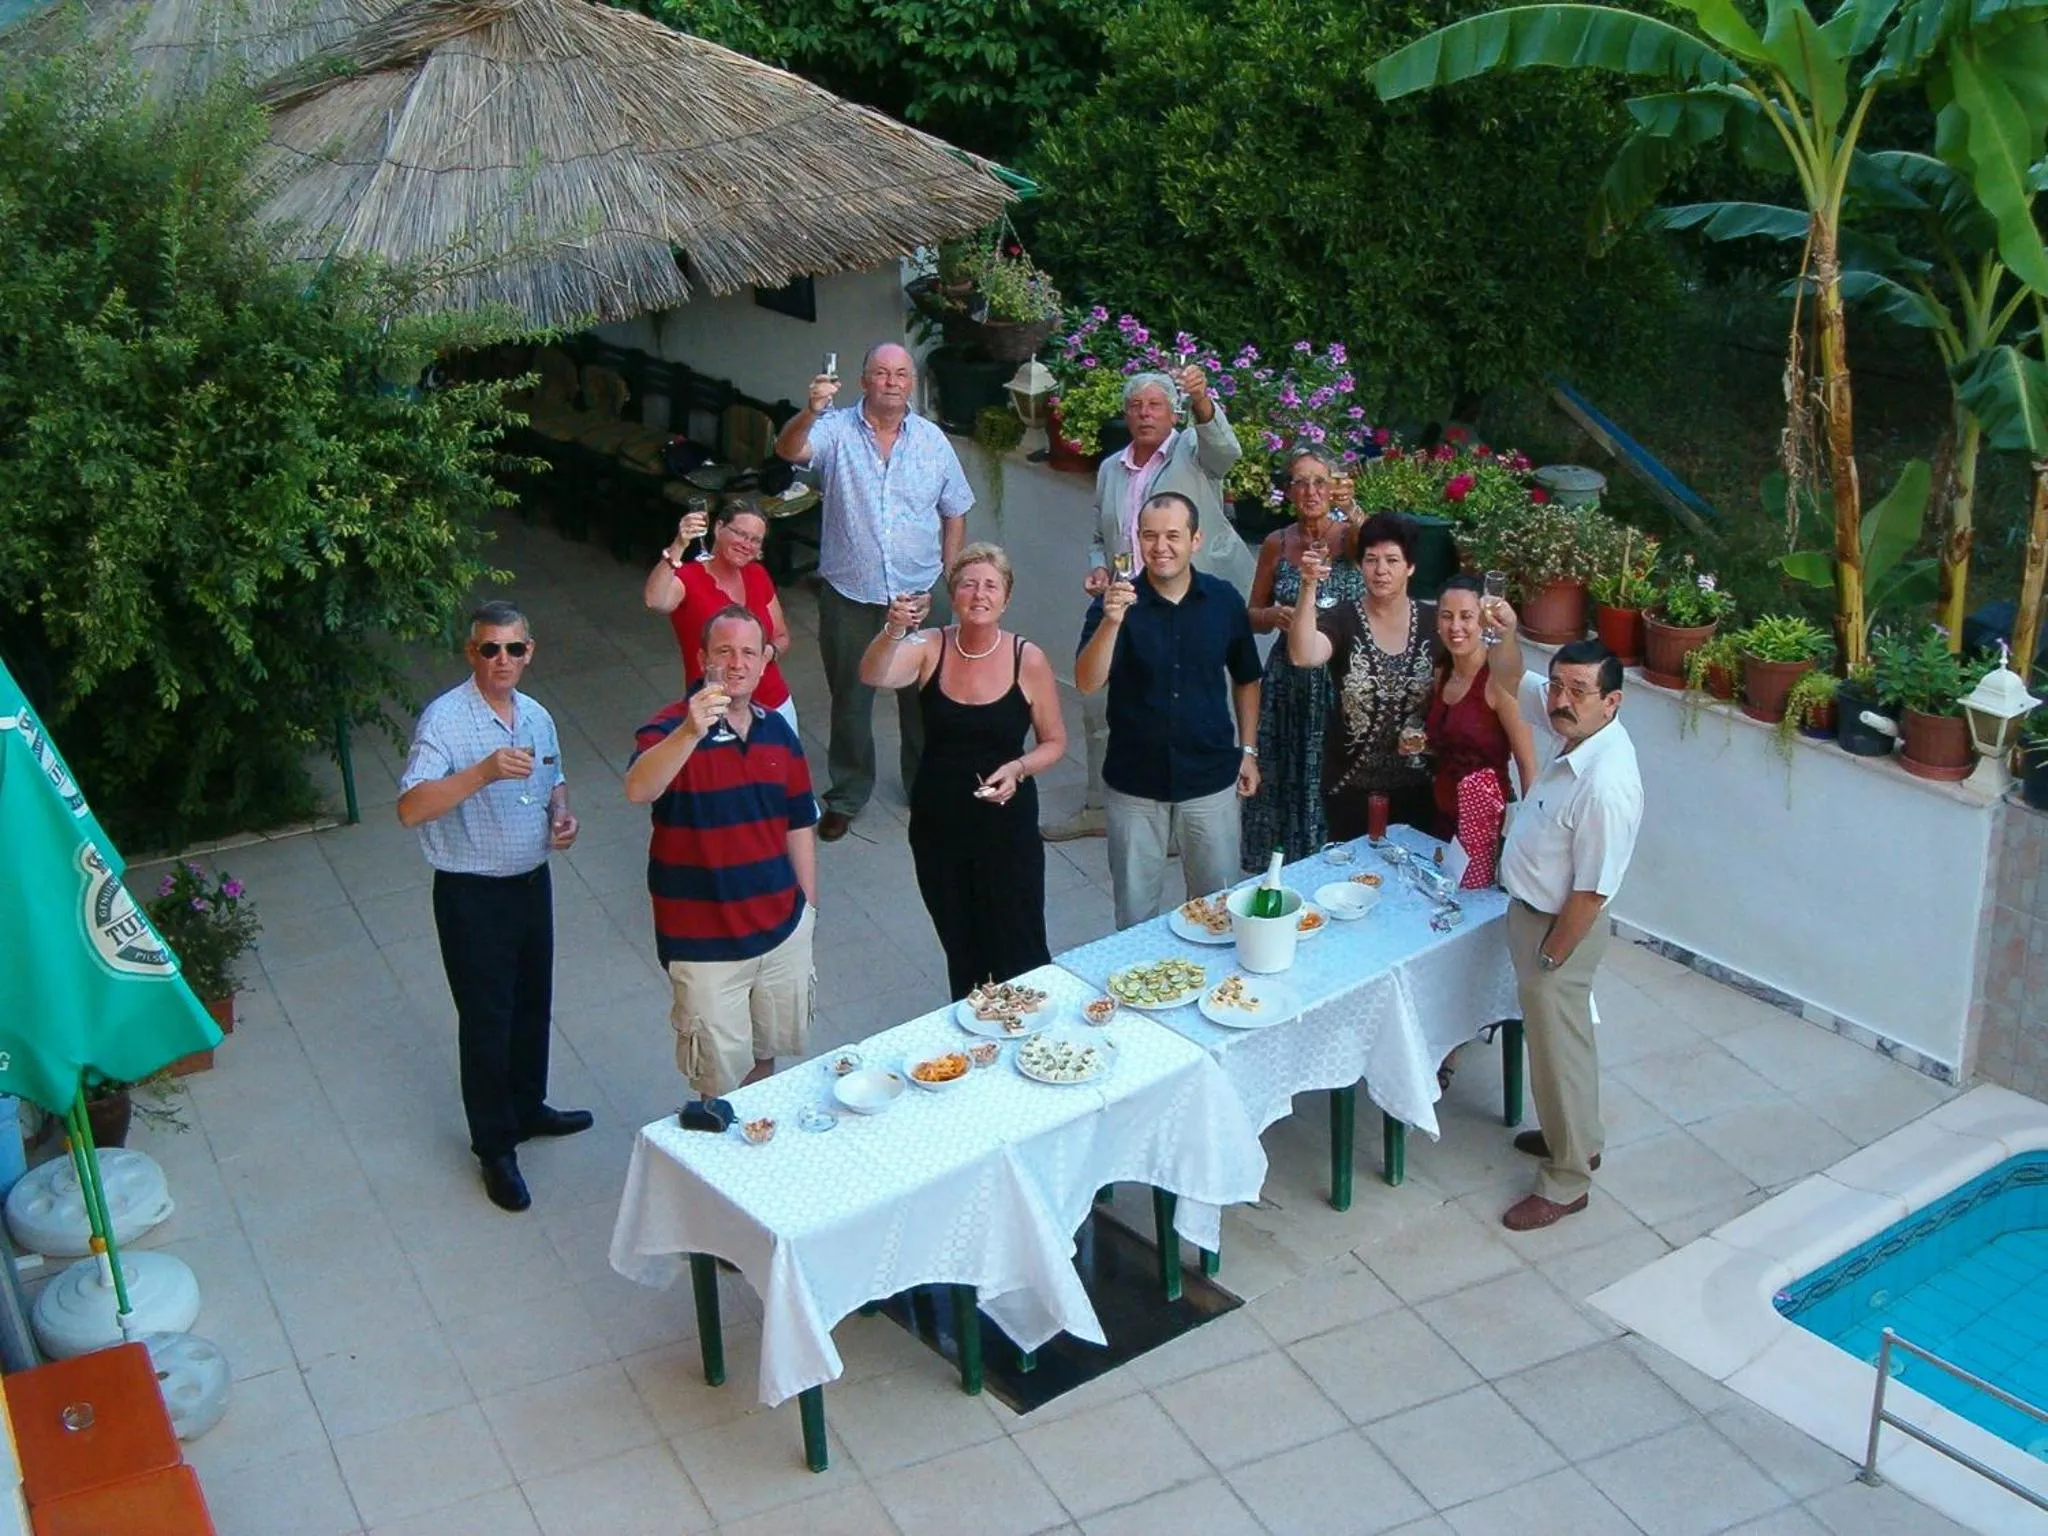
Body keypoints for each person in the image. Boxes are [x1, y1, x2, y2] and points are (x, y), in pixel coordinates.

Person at [397, 600, 591, 1214]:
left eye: (514, 648)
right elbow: (411, 808)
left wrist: (562, 817)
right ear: (471, 653)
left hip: (530, 883)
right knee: (487, 1022)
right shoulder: (446, 722)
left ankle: (528, 1107)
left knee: (534, 1003)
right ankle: (495, 1148)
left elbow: (554, 779)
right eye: (489, 649)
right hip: (472, 893)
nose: (502, 660)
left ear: (529, 651)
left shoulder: (536, 715)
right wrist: (481, 773)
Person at [1043, 367, 1256, 843]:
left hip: (1191, 597)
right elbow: (1102, 534)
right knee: (1099, 703)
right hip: (1127, 601)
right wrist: (1100, 567)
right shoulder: (1110, 468)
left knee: (1195, 700)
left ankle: (1187, 819)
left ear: (1173, 412)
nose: (1145, 413)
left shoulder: (1191, 450)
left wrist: (1202, 400)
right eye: (1136, 405)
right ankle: (1099, 804)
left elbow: (1227, 452)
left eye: (1155, 404)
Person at [1483, 603, 1644, 1232]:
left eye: (1579, 691)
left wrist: (1551, 956)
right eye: (1559, 687)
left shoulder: (1606, 783)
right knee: (1562, 1047)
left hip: (1559, 929)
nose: (1561, 700)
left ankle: (1568, 1179)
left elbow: (1593, 891)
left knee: (1558, 1053)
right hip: (1534, 918)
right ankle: (1574, 1137)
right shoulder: (1572, 732)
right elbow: (1508, 678)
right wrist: (1510, 631)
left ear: (1613, 702)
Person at [774, 343, 973, 843]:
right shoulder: (834, 429)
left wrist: (948, 576)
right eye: (880, 373)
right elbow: (789, 451)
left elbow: (956, 508)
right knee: (850, 698)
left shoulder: (932, 441)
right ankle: (846, 795)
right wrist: (811, 410)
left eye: (900, 374)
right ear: (863, 381)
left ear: (912, 384)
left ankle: (924, 786)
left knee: (926, 698)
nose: (891, 381)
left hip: (922, 593)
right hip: (852, 596)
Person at [624, 606, 819, 1101]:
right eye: (724, 651)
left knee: (767, 1054)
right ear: (701, 658)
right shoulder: (668, 729)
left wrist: (808, 910)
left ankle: (760, 1155)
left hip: (780, 929)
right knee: (716, 1079)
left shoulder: (778, 731)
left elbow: (799, 822)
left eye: (749, 652)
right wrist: (690, 732)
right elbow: (639, 788)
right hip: (704, 943)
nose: (737, 663)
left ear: (764, 662)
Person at [859, 544, 1068, 999]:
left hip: (1007, 826)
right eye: (968, 584)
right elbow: (874, 674)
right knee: (963, 948)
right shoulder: (930, 646)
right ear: (953, 594)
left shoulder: (1025, 658)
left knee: (1021, 948)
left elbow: (1054, 742)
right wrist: (894, 630)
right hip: (940, 822)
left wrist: (1018, 767)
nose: (979, 594)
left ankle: (1034, 1044)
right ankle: (976, 1048)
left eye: (990, 585)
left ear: (1006, 598)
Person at [1077, 491, 1263, 929]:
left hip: (1209, 779)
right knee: (1136, 914)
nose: (1161, 547)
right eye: (1150, 536)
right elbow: (1087, 680)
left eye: (1173, 536)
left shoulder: (1223, 601)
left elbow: (1247, 677)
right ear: (1138, 541)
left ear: (1195, 540)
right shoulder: (1113, 604)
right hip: (1134, 782)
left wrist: (1249, 751)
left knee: (1217, 911)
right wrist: (1111, 621)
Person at [1239, 448, 1366, 866]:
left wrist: (1352, 509)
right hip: (1287, 679)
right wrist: (1272, 615)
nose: (1311, 491)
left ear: (1334, 487)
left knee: (1327, 777)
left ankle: (1327, 865)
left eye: (1320, 481)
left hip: (1339, 677)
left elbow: (1377, 550)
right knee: (1283, 776)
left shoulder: (1349, 538)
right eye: (1301, 482)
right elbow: (1251, 617)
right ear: (1289, 491)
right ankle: (1280, 867)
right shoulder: (1278, 543)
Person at [1286, 512, 1439, 839]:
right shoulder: (1343, 618)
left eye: (1392, 560)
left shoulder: (1434, 623)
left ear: (1410, 567)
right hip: (1350, 788)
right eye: (1371, 559)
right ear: (1360, 566)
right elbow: (1303, 654)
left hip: (1422, 787)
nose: (1381, 570)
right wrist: (1308, 587)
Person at [642, 500, 798, 734]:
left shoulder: (757, 574)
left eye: (755, 540)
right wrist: (678, 545)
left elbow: (781, 635)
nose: (747, 544)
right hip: (714, 711)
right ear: (718, 528)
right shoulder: (688, 578)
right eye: (741, 534)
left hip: (772, 702)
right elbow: (655, 600)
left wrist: (768, 654)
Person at [1425, 574, 1537, 842]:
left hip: (1486, 824)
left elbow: (1527, 762)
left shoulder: (1498, 681)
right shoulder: (1442, 673)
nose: (1456, 626)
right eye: (1447, 616)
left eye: (1466, 616)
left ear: (1483, 621)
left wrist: (1531, 833)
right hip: (1440, 816)